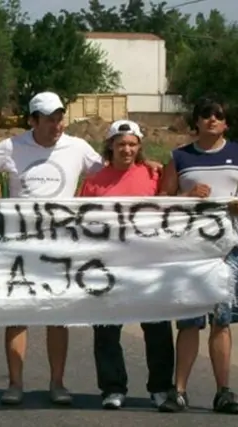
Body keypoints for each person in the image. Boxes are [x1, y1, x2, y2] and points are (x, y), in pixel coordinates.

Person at [0, 91, 163, 407]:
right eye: (49, 119)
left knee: (57, 315)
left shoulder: (77, 147)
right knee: (18, 315)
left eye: (60, 117)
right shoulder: (12, 147)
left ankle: (57, 384)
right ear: (32, 120)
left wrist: (147, 162)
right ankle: (15, 384)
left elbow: (111, 167)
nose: (57, 124)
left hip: (63, 246)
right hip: (20, 245)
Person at [158, 97, 238, 414]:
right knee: (188, 322)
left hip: (227, 250)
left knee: (221, 322)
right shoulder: (180, 157)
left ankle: (223, 391)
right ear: (196, 122)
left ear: (225, 122)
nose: (211, 119)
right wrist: (186, 196)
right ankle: (179, 390)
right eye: (205, 115)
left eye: (218, 115)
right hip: (189, 252)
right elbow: (160, 200)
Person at [77, 120, 175, 410]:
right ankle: (112, 388)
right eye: (121, 144)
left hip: (148, 265)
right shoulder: (94, 181)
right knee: (106, 330)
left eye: (132, 144)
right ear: (110, 147)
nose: (127, 149)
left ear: (139, 147)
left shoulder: (153, 174)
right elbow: (82, 222)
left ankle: (160, 387)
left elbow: (172, 208)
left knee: (157, 328)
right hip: (108, 266)